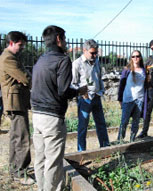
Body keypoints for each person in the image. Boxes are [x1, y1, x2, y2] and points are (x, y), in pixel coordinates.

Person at [31, 25, 85, 191]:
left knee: (40, 159)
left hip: (36, 115)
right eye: (65, 38)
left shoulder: (41, 60)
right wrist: (78, 91)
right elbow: (63, 91)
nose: (67, 42)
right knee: (53, 162)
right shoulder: (62, 60)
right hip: (52, 117)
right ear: (59, 39)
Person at [0, 31, 34, 185]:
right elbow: (25, 77)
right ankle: (20, 174)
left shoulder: (11, 57)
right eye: (20, 45)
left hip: (17, 101)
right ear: (12, 42)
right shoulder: (8, 58)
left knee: (16, 137)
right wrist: (25, 79)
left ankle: (15, 169)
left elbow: (23, 77)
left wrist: (23, 79)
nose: (22, 48)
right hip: (15, 102)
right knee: (22, 137)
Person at [71, 39, 110, 151]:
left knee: (101, 124)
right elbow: (73, 83)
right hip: (85, 99)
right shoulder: (77, 64)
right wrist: (82, 94)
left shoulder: (97, 61)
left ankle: (105, 147)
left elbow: (99, 77)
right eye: (92, 53)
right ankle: (81, 151)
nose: (94, 55)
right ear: (84, 50)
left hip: (97, 97)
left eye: (96, 53)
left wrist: (102, 91)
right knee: (83, 127)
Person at [117, 50, 147, 142]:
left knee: (136, 122)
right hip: (128, 99)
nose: (135, 58)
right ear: (131, 58)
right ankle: (120, 140)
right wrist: (120, 100)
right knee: (124, 121)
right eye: (133, 56)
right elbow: (121, 85)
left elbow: (146, 85)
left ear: (140, 57)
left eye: (137, 56)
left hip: (139, 100)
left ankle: (132, 140)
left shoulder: (144, 70)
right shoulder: (127, 70)